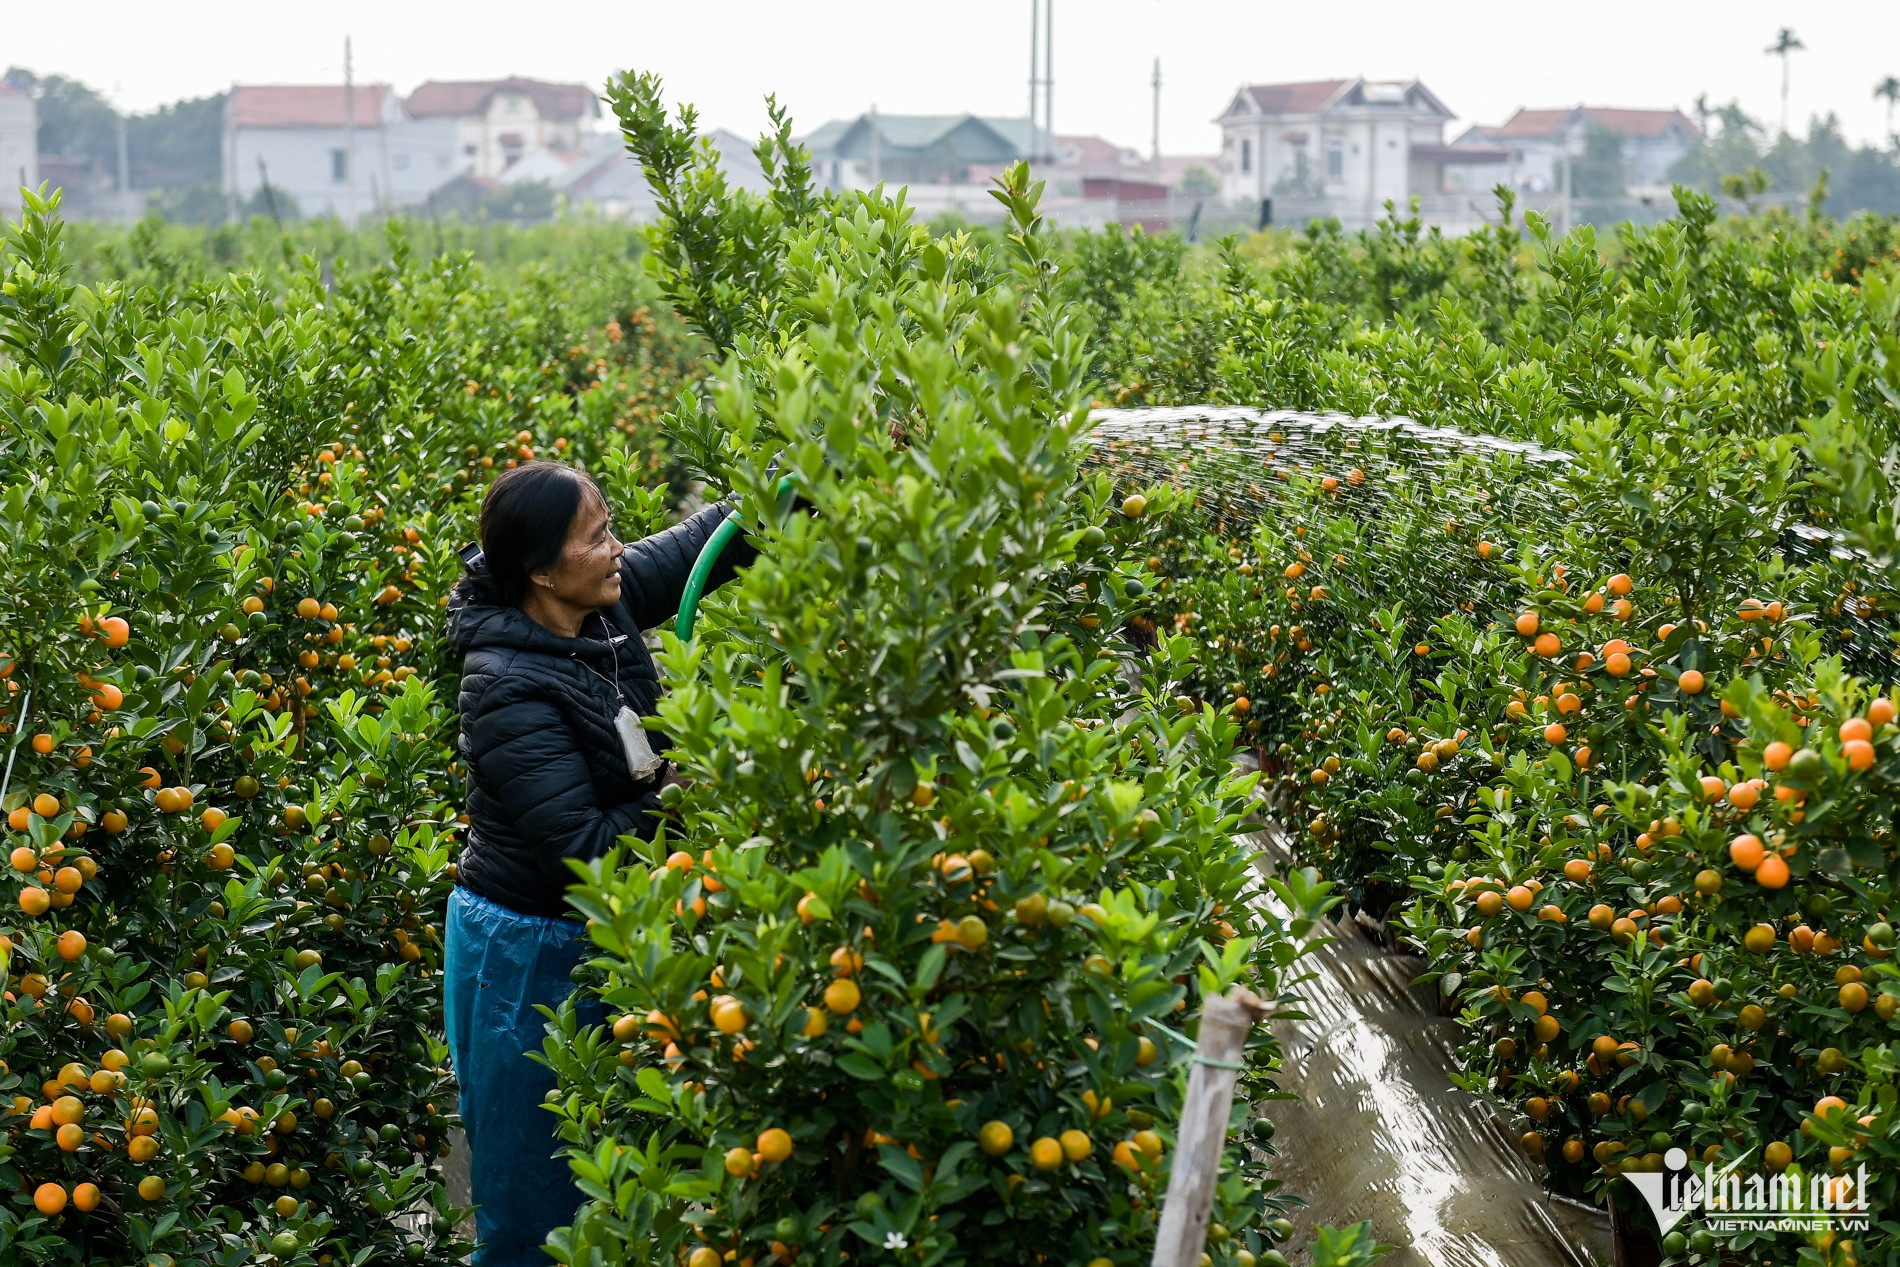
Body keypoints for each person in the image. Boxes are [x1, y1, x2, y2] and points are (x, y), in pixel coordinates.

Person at [442, 461, 755, 1264]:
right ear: (542, 571)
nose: (618, 548)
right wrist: (686, 785)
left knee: (626, 1168)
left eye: (612, 526)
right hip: (528, 950)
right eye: (599, 537)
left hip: (613, 926)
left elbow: (701, 545)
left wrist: (801, 477)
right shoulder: (504, 681)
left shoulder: (597, 602)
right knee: (538, 1186)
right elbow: (584, 850)